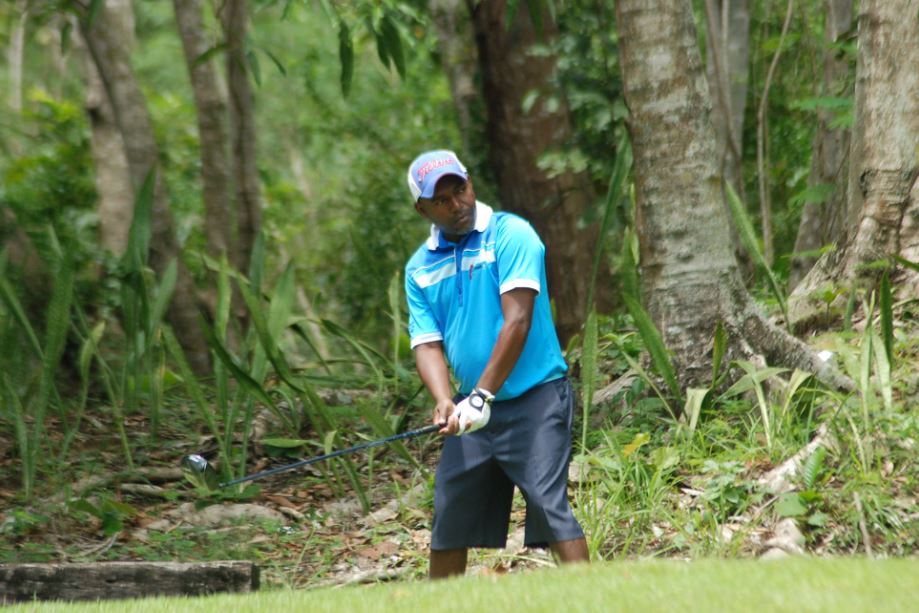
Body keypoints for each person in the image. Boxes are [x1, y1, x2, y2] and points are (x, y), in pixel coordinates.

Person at [404, 150, 589, 579]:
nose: (458, 203)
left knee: (548, 503)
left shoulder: (510, 234)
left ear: (470, 183)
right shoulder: (419, 268)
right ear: (423, 209)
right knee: (449, 520)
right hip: (473, 410)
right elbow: (427, 343)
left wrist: (481, 395)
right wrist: (445, 400)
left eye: (461, 189)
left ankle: (589, 599)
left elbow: (518, 320)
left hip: (536, 399)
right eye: (443, 200)